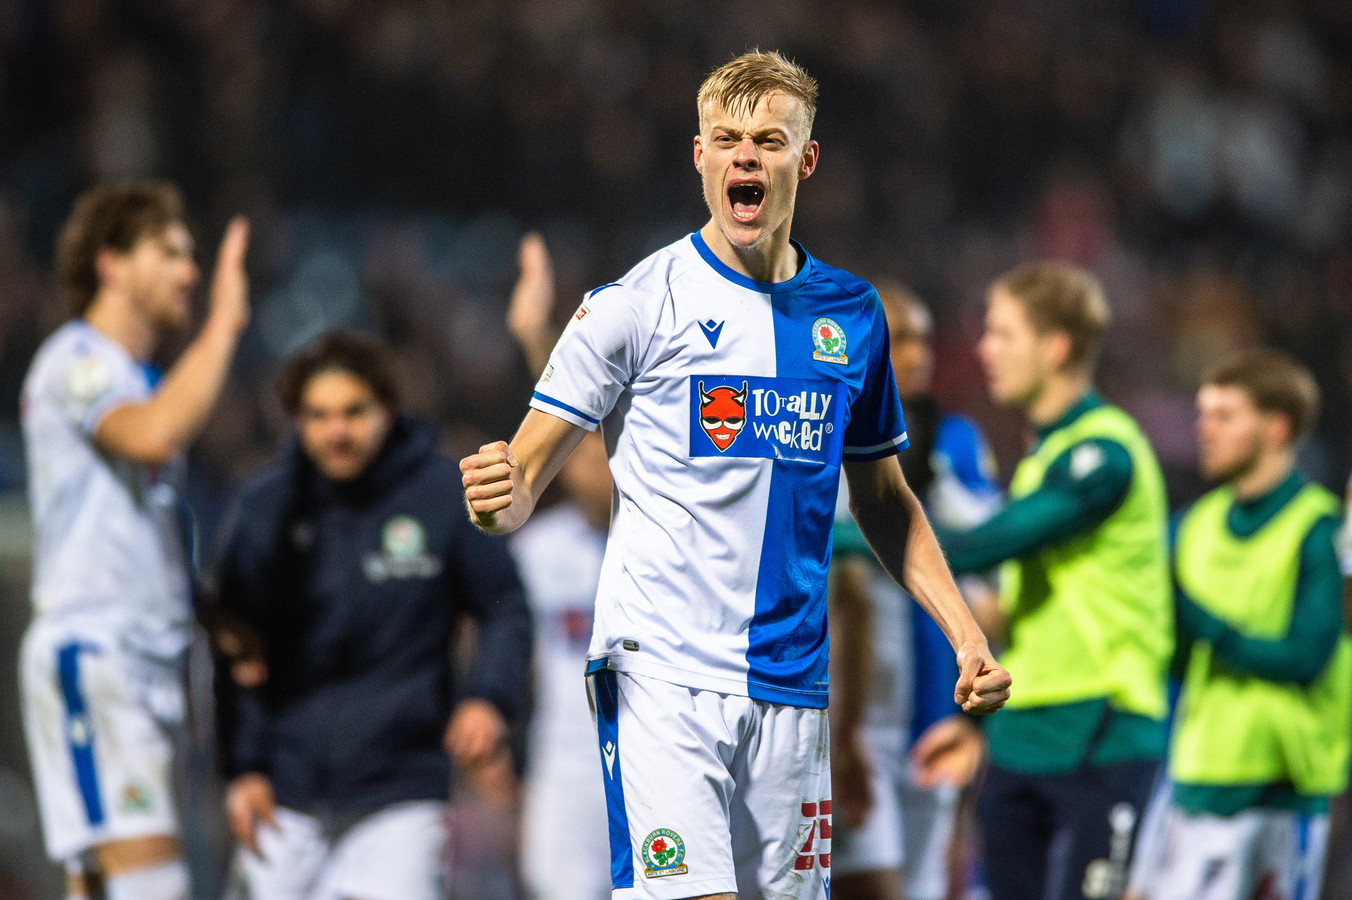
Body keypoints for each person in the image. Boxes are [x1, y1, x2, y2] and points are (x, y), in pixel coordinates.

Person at [460, 50, 1010, 900]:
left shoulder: (851, 317)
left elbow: (885, 500)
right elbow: (526, 478)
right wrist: (500, 498)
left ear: (806, 159)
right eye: (727, 139)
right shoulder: (636, 305)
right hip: (662, 673)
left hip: (794, 688)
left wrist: (966, 634)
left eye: (768, 139)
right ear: (701, 157)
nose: (746, 156)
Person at [212, 331, 532, 900]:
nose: (337, 431)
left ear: (386, 408)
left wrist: (488, 697)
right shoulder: (264, 509)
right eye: (318, 415)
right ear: (295, 420)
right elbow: (236, 649)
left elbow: (504, 605)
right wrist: (243, 768)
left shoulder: (440, 495)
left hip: (402, 796)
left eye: (354, 412)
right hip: (283, 798)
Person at [18, 181, 250, 900]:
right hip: (100, 650)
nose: (190, 272)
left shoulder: (140, 378)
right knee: (154, 885)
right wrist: (224, 326)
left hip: (148, 658)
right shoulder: (76, 359)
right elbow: (152, 432)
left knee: (104, 886)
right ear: (112, 264)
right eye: (169, 252)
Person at [931, 262, 1173, 900]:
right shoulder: (1041, 464)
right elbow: (1029, 611)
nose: (984, 349)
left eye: (1003, 333)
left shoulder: (1106, 453)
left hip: (1103, 732)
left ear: (1056, 345)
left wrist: (844, 529)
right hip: (1022, 736)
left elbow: (984, 545)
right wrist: (974, 725)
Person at [1131, 350, 1349, 900]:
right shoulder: (1192, 526)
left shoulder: (1318, 529)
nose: (1204, 429)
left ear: (1276, 428)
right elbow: (1174, 658)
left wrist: (1197, 619)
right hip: (1196, 772)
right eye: (1203, 414)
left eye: (1225, 416)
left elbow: (1306, 656)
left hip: (1281, 788)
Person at [828, 285, 1002, 900]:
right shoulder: (820, 430)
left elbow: (985, 558)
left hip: (929, 704)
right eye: (900, 339)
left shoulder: (953, 442)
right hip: (852, 713)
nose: (917, 355)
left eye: (924, 339)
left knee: (931, 882)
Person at [506, 231, 614, 900]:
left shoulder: (664, 536)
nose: (584, 462)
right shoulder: (537, 553)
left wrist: (534, 342)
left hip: (659, 765)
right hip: (563, 775)